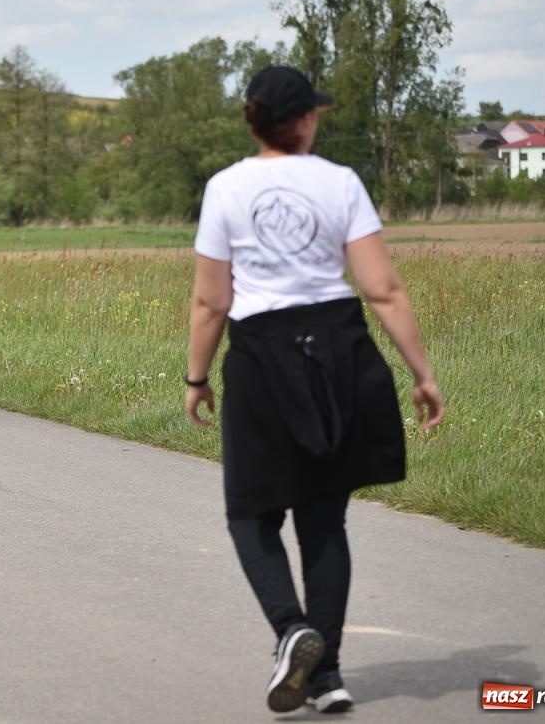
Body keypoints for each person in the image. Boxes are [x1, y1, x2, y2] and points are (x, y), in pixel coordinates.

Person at [185, 66, 445, 716]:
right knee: (324, 519)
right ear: (302, 120)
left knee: (251, 513)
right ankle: (326, 676)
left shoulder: (225, 188)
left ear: (253, 120)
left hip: (261, 354)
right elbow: (383, 289)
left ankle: (292, 629)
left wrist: (197, 377)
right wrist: (422, 373)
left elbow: (211, 302)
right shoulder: (341, 182)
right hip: (337, 348)